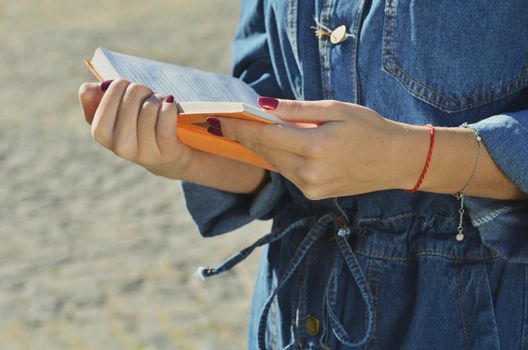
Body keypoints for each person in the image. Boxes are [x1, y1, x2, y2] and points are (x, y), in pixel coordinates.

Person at [79, 1, 528, 349]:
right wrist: (183, 156)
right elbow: (273, 137)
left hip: (477, 317)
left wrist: (413, 157)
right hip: (295, 317)